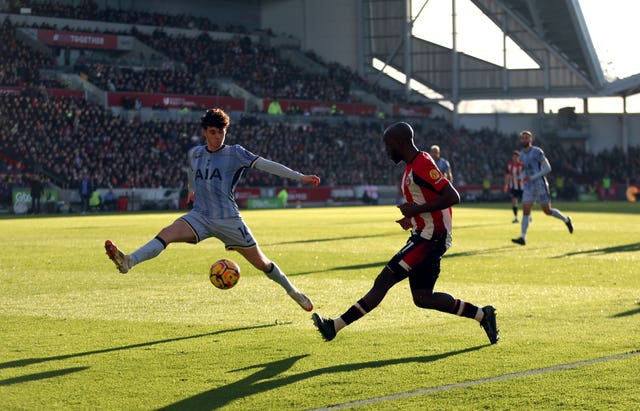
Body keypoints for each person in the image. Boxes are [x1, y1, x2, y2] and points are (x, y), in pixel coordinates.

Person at [104, 108, 321, 311]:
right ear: (205, 132)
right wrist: (191, 189)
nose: (218, 137)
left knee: (262, 264)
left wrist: (299, 176)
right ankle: (129, 261)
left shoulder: (235, 153)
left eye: (222, 132)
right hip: (201, 216)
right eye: (213, 132)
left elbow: (266, 164)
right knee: (166, 233)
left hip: (229, 220)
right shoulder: (196, 153)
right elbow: (191, 170)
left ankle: (293, 292)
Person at [311, 122, 499, 345]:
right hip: (424, 233)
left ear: (400, 142)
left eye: (388, 145)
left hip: (430, 238)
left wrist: (415, 210)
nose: (386, 150)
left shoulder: (422, 164)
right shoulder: (411, 167)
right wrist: (412, 218)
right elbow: (430, 200)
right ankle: (482, 314)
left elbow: (452, 196)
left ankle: (334, 326)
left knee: (383, 280)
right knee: (423, 297)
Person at [511, 130, 573, 246]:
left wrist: (533, 177)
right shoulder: (522, 154)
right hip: (529, 187)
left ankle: (566, 220)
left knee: (547, 211)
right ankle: (523, 237)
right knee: (525, 210)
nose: (524, 140)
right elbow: (526, 169)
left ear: (530, 140)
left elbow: (547, 168)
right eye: (522, 138)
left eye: (526, 138)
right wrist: (521, 176)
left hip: (540, 184)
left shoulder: (537, 152)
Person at [503, 150, 524, 223]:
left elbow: (526, 174)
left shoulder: (522, 165)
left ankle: (528, 216)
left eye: (516, 157)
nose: (515, 158)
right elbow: (507, 175)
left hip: (522, 187)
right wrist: (506, 184)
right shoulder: (509, 165)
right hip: (513, 187)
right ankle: (516, 217)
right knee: (514, 201)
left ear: (519, 158)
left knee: (525, 202)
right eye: (514, 157)